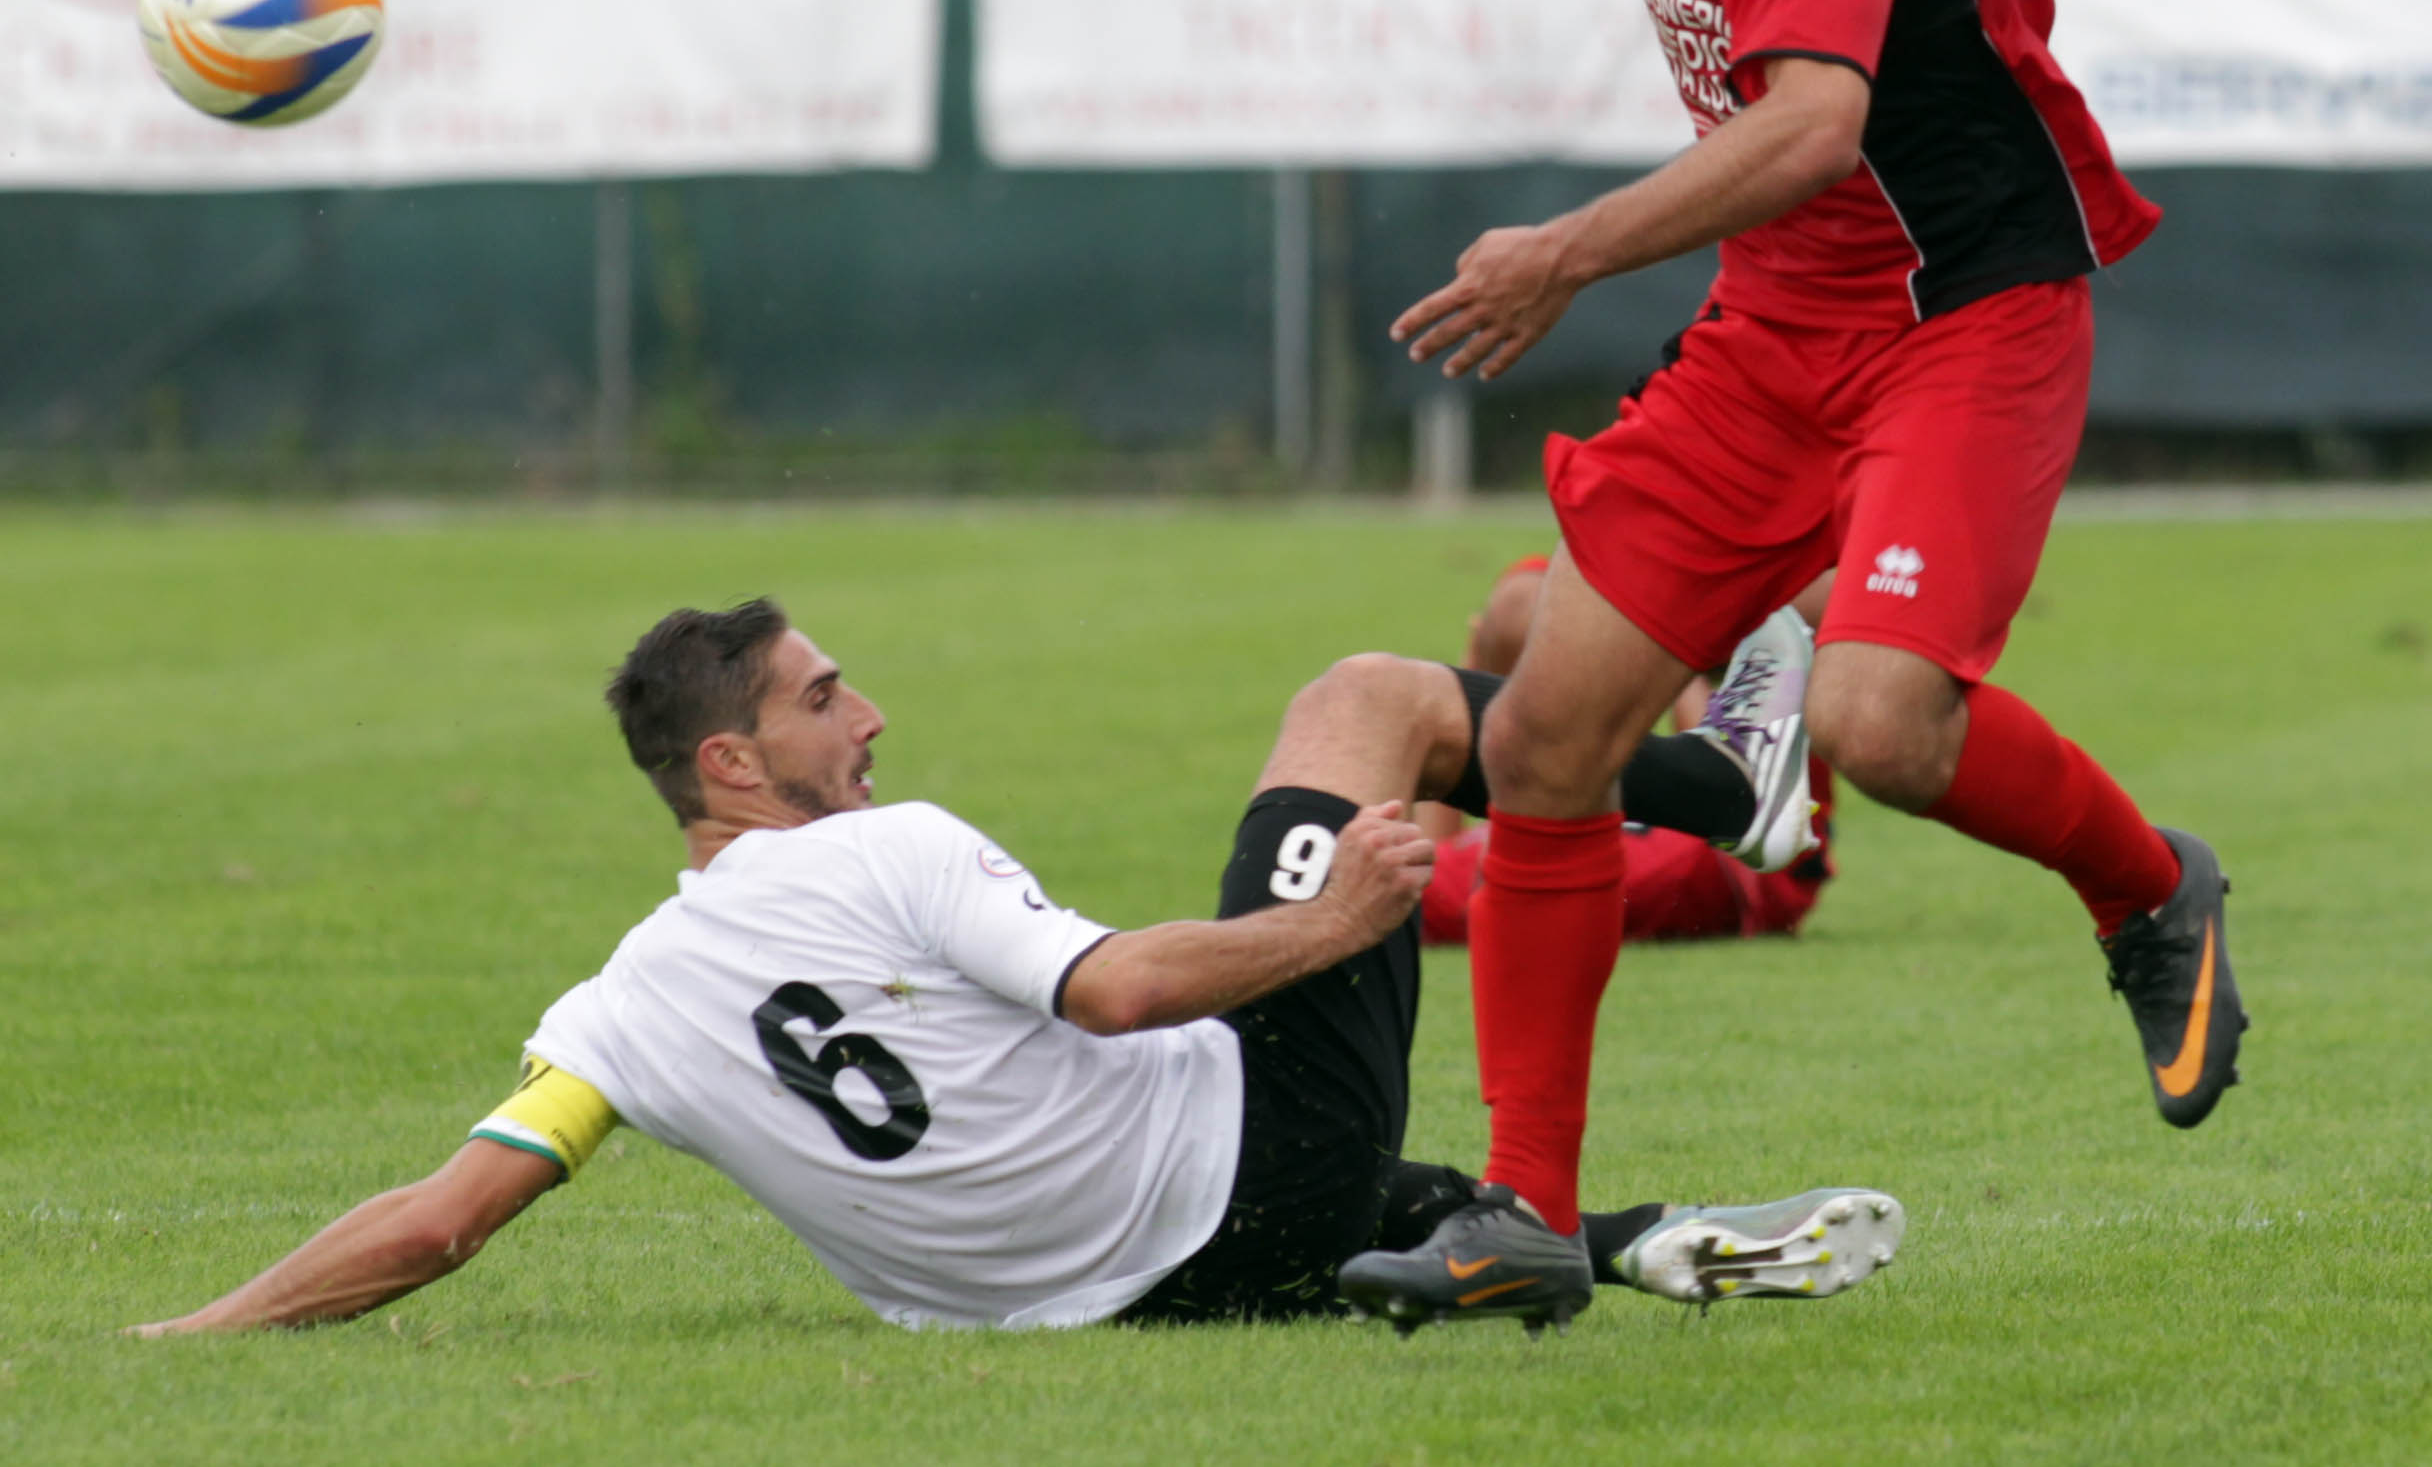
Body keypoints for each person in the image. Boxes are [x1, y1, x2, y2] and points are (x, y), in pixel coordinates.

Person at [1352, 0, 2275, 1327]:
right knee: (1544, 741)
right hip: (1780, 330)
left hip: (1963, 318)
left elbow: (1810, 127)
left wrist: (1564, 256)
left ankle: (2146, 887)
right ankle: (1527, 1214)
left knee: (1879, 719)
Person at [131, 598, 1903, 1340]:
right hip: (1245, 1170)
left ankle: (1632, 1244)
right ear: (730, 768)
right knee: (1372, 698)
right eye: (825, 700)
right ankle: (1727, 788)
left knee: (1359, 1179)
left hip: (1130, 1299)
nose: (872, 714)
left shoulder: (617, 1010)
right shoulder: (882, 847)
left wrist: (198, 1331)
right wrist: (1338, 924)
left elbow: (439, 1222)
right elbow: (1122, 991)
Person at [1417, 557, 1835, 947]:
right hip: (1752, 850)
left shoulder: (1441, 882)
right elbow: (1719, 799)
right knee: (1785, 596)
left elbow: (1438, 839)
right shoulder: (1434, 899)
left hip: (1591, 803)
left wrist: (1468, 673)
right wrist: (1677, 651)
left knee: (1516, 606)